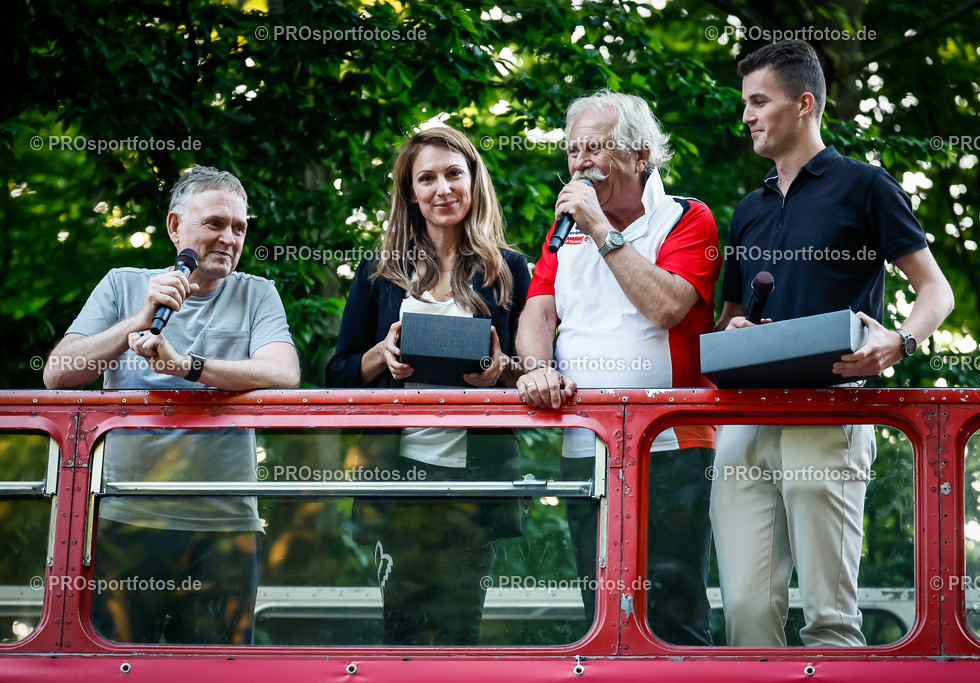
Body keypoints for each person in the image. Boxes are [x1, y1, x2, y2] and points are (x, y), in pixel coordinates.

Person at [710, 40, 954, 647]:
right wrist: (733, 331)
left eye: (759, 101)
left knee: (829, 618)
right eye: (745, 103)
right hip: (744, 419)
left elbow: (936, 293)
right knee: (743, 614)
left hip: (830, 408)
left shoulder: (865, 185)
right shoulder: (746, 210)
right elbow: (730, 318)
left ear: (805, 104)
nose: (747, 115)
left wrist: (899, 342)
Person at [43, 166, 300, 644]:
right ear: (174, 226)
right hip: (125, 517)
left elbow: (284, 374)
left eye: (240, 228)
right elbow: (57, 373)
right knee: (114, 668)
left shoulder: (256, 292)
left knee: (215, 675)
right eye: (216, 224)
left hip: (225, 526)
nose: (229, 238)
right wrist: (138, 319)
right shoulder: (123, 284)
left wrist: (187, 366)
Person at [515, 90, 722, 645]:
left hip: (672, 445)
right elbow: (538, 310)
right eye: (573, 149)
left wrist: (604, 231)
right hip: (587, 444)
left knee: (672, 605)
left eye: (596, 148)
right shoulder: (563, 232)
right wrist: (535, 369)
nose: (580, 161)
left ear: (641, 154)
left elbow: (666, 306)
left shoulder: (687, 217)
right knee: (600, 609)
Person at [325, 125, 530, 645]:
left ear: (473, 180)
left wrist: (501, 369)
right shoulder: (379, 272)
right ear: (410, 192)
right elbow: (338, 372)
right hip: (397, 484)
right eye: (427, 178)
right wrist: (380, 356)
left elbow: (536, 370)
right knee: (404, 631)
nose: (443, 189)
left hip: (475, 485)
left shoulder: (508, 269)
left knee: (463, 631)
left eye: (453, 174)